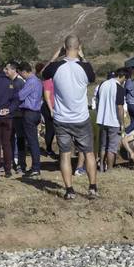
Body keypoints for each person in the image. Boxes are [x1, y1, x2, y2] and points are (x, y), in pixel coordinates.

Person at [43, 34, 98, 200]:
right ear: (79, 46)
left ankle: (69, 190)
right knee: (88, 153)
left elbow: (43, 73)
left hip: (61, 119)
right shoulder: (85, 67)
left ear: (63, 47)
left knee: (65, 154)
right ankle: (92, 187)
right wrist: (82, 56)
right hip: (81, 117)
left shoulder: (55, 67)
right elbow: (92, 76)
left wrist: (55, 55)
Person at [94, 69, 127, 172]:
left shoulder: (102, 84)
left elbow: (97, 100)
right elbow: (120, 107)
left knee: (103, 146)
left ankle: (102, 167)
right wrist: (122, 124)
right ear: (123, 77)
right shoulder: (119, 88)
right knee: (112, 148)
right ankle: (110, 170)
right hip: (113, 121)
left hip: (102, 119)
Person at [15, 62, 44, 176]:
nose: (20, 76)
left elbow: (21, 96)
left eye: (20, 73)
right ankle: (34, 166)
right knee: (32, 141)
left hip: (29, 113)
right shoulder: (37, 81)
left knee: (32, 142)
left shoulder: (31, 81)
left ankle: (36, 167)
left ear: (23, 71)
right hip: (35, 112)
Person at [40, 65, 57, 155]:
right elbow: (47, 98)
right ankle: (49, 149)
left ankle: (50, 148)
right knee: (50, 129)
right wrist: (51, 110)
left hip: (55, 107)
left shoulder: (55, 81)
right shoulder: (47, 82)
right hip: (48, 108)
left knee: (53, 130)